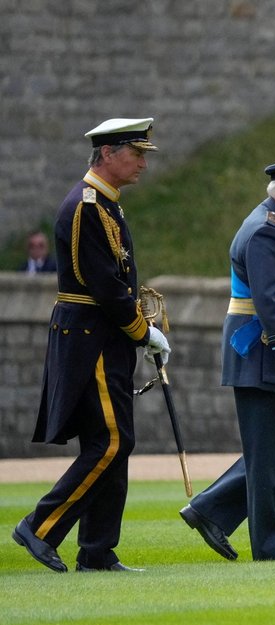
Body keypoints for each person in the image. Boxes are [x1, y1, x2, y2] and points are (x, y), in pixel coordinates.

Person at [11, 117, 171, 573]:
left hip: (105, 336)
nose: (142, 162)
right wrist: (143, 331)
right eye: (135, 153)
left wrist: (137, 330)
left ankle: (97, 549)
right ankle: (41, 527)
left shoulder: (107, 204)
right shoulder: (86, 206)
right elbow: (101, 283)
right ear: (107, 154)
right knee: (111, 441)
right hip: (92, 336)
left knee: (114, 441)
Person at [178, 155, 275, 562]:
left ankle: (210, 510)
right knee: (273, 450)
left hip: (268, 352)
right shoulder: (266, 231)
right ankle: (272, 545)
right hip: (263, 355)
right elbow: (267, 302)